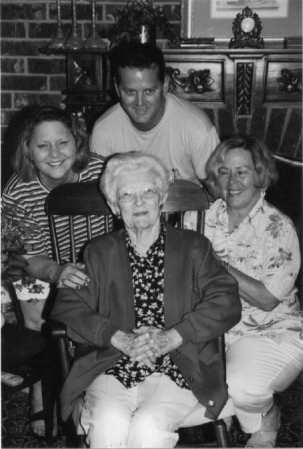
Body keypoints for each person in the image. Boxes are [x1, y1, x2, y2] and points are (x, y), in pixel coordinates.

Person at [50, 152, 241, 448]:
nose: (139, 203)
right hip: (113, 365)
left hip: (179, 366)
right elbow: (70, 306)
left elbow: (225, 299)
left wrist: (174, 337)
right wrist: (118, 338)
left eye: (148, 192)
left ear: (161, 197)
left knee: (147, 430)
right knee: (107, 426)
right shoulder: (99, 252)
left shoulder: (193, 247)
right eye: (127, 195)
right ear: (114, 206)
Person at [2, 104, 113, 436]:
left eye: (62, 143)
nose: (54, 153)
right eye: (42, 145)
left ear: (77, 143)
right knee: (37, 318)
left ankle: (91, 385)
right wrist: (56, 271)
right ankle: (44, 383)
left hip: (97, 264)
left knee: (95, 317)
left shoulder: (100, 172)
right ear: (29, 151)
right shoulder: (17, 191)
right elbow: (18, 256)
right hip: (40, 265)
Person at [186, 135, 303, 447]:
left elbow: (267, 300)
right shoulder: (197, 220)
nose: (232, 181)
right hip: (209, 329)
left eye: (242, 172)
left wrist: (219, 266)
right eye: (224, 172)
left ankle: (265, 417)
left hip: (269, 330)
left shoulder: (278, 227)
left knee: (241, 386)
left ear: (259, 175)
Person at [90, 41, 219, 184]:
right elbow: (97, 198)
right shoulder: (103, 130)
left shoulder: (198, 128)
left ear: (164, 86)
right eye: (130, 92)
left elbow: (217, 191)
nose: (140, 103)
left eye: (149, 91)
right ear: (117, 89)